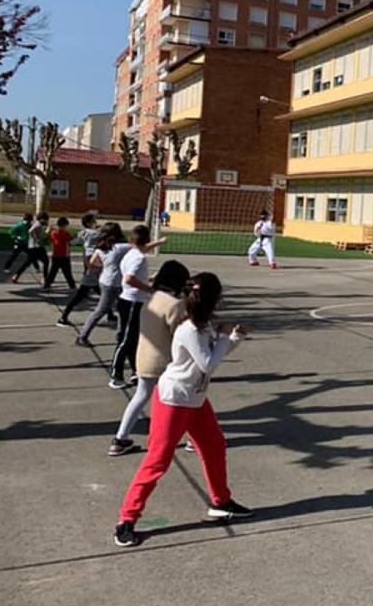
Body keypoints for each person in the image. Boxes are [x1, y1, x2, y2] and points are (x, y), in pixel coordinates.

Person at [113, 272, 253, 548]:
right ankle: (126, 521)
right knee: (158, 461)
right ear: (212, 299)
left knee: (214, 445)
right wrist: (226, 338)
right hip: (174, 400)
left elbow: (213, 355)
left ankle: (221, 502)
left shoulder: (204, 326)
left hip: (195, 398)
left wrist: (233, 337)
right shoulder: (190, 329)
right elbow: (208, 364)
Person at [108, 260, 192, 456]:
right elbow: (181, 335)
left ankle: (120, 438)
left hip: (145, 357)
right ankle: (192, 439)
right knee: (185, 398)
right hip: (167, 360)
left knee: (140, 397)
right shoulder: (175, 305)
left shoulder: (151, 299)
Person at [109, 225, 167, 389]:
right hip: (132, 302)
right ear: (146, 240)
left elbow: (134, 276)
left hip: (130, 300)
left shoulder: (132, 253)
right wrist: (150, 288)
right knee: (126, 340)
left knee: (133, 339)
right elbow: (129, 279)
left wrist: (148, 279)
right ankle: (116, 374)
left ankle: (135, 370)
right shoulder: (138, 258)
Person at [76, 222, 131, 347]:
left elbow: (92, 263)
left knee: (123, 309)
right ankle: (82, 336)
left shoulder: (101, 248)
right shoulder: (122, 247)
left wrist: (100, 269)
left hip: (106, 281)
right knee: (102, 310)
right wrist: (158, 242)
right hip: (114, 283)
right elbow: (141, 247)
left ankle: (121, 335)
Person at [58, 213, 101, 326]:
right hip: (93, 265)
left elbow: (73, 242)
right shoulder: (95, 234)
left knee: (101, 291)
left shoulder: (83, 233)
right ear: (89, 223)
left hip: (88, 263)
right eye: (94, 221)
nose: (96, 222)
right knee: (84, 293)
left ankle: (110, 314)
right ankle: (63, 317)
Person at [11, 212, 50, 284]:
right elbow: (30, 231)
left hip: (33, 246)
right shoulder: (37, 224)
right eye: (45, 219)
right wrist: (37, 239)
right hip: (36, 246)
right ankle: (44, 278)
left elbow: (41, 234)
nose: (46, 221)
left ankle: (16, 275)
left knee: (28, 262)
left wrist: (45, 232)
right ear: (41, 219)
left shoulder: (40, 224)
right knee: (46, 261)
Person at [43, 216, 77, 291]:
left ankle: (47, 285)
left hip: (56, 255)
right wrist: (74, 237)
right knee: (67, 272)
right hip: (64, 255)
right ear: (64, 225)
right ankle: (72, 286)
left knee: (53, 271)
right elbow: (70, 241)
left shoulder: (54, 232)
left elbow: (52, 240)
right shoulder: (65, 233)